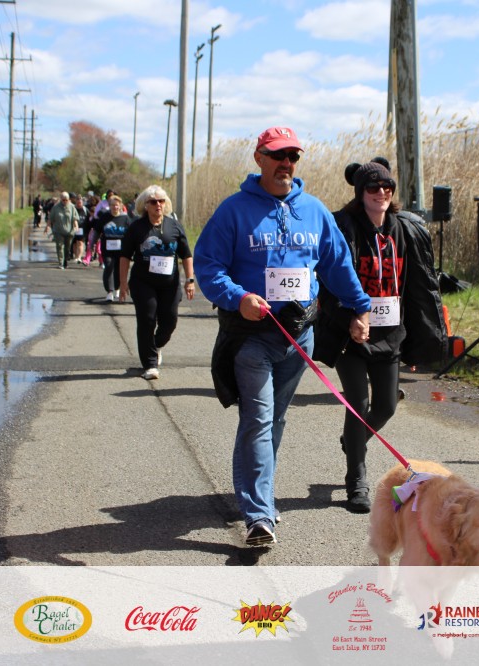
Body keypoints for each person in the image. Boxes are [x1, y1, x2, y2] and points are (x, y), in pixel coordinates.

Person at [193, 126, 372, 547]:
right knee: (257, 419)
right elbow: (208, 266)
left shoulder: (314, 211)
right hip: (251, 336)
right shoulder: (234, 211)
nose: (286, 163)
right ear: (259, 158)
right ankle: (259, 514)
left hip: (299, 337)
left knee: (273, 419)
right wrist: (237, 297)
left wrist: (359, 307)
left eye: (292, 156)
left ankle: (258, 497)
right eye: (277, 155)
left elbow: (337, 264)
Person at [313, 159, 448, 513]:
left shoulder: (404, 230)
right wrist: (349, 319)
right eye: (373, 188)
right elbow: (327, 283)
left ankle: (353, 442)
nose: (382, 193)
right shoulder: (343, 228)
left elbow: (419, 289)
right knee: (357, 405)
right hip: (351, 335)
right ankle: (355, 480)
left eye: (387, 187)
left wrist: (420, 342)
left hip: (390, 334)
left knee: (386, 406)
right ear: (360, 193)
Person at [118, 185, 194, 380]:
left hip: (170, 283)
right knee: (147, 319)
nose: (158, 204)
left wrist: (190, 280)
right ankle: (150, 365)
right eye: (153, 202)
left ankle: (155, 345)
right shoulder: (136, 227)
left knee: (170, 321)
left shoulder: (174, 226)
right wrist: (123, 283)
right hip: (143, 282)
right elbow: (125, 256)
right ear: (145, 205)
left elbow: (186, 254)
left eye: (161, 201)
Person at [95, 195, 132, 301]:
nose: (115, 207)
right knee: (109, 266)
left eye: (117, 205)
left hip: (121, 249)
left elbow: (131, 233)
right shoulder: (105, 217)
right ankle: (109, 291)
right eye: (112, 205)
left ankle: (117, 288)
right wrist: (92, 243)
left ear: (120, 206)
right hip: (107, 248)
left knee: (118, 269)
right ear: (109, 206)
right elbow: (97, 230)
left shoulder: (125, 218)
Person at [44, 192, 79, 269]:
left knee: (67, 248)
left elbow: (75, 218)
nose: (65, 201)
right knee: (60, 246)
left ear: (68, 199)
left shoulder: (72, 207)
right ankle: (61, 262)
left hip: (69, 232)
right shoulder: (56, 207)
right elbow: (51, 218)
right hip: (58, 231)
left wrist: (76, 226)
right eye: (63, 200)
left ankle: (65, 260)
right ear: (61, 199)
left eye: (66, 200)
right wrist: (47, 226)